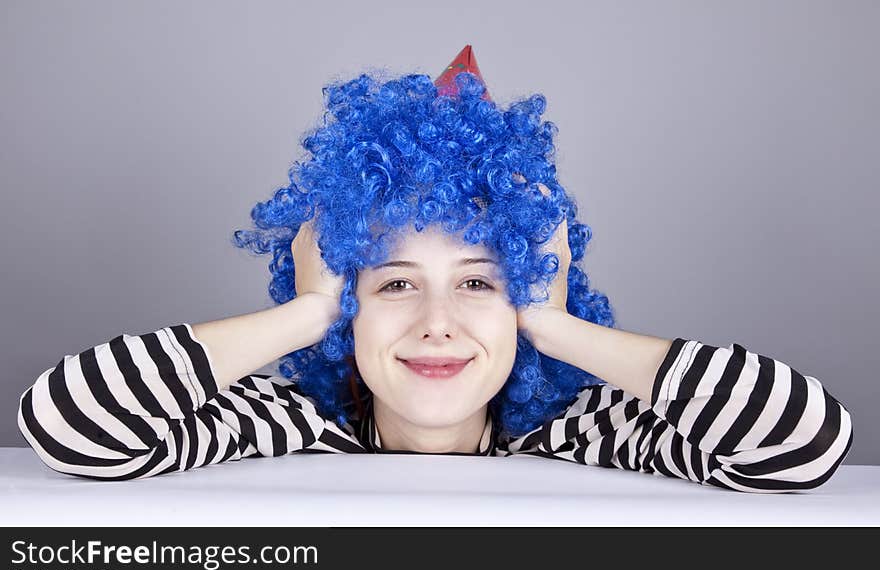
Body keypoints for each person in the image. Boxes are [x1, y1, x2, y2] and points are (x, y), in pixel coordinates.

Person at [17, 46, 854, 492]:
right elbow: (67, 427)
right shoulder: (286, 429)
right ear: (348, 299)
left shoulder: (580, 436)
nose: (437, 321)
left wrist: (555, 324)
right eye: (394, 281)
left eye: (482, 280)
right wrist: (309, 315)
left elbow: (803, 446)